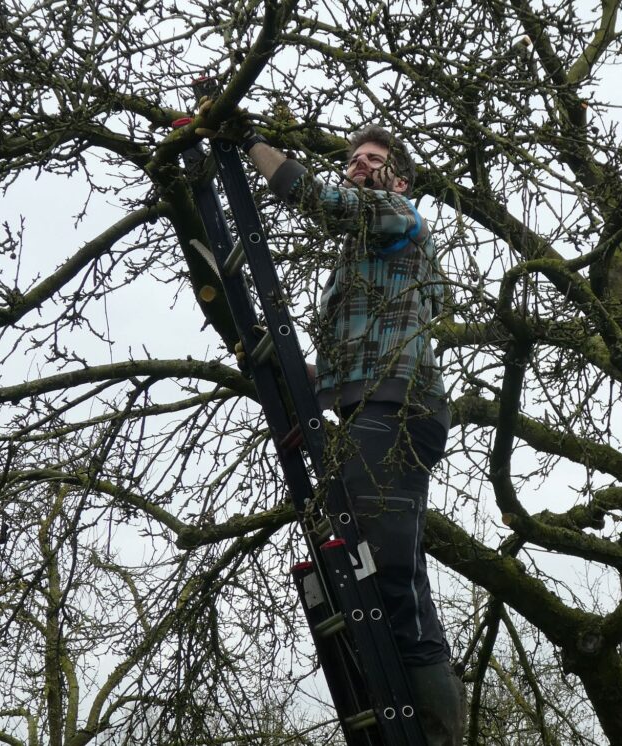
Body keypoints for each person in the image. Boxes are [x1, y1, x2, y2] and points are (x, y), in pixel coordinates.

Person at [203, 110, 465, 745]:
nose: (360, 167)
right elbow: (350, 360)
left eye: (375, 162)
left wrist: (252, 143)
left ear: (400, 182)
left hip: (398, 411)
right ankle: (423, 715)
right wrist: (288, 366)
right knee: (386, 567)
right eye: (355, 160)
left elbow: (324, 201)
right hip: (369, 412)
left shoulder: (400, 221)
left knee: (385, 571)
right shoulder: (359, 268)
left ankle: (437, 731)